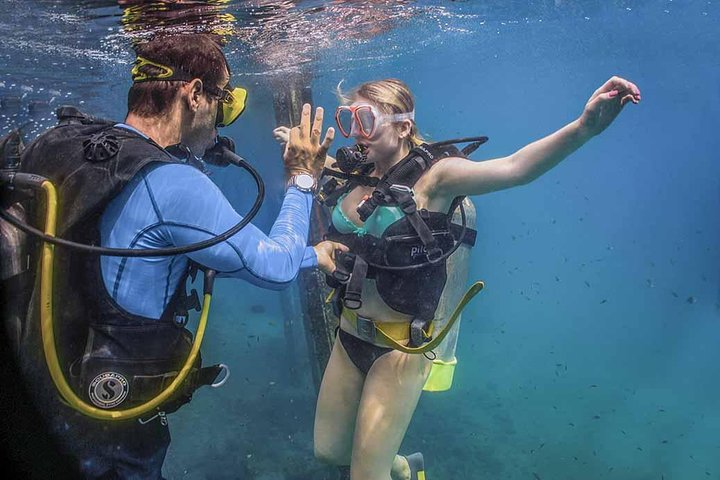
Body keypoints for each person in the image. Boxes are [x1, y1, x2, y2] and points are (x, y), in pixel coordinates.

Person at [3, 33, 342, 479]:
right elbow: (276, 267)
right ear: (195, 93)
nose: (223, 121)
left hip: (39, 396)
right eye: (223, 102)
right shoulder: (174, 184)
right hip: (110, 433)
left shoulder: (69, 144)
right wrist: (302, 181)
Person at [276, 75, 641, 480]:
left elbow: (515, 168)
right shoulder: (358, 171)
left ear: (403, 126)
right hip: (349, 336)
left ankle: (386, 467)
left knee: (365, 476)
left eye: (365, 120)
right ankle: (402, 466)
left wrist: (584, 127)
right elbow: (321, 170)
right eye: (348, 121)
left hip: (401, 349)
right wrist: (300, 154)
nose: (355, 134)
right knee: (329, 453)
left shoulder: (438, 178)